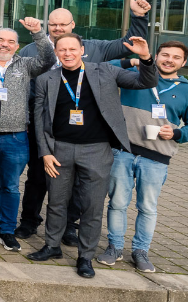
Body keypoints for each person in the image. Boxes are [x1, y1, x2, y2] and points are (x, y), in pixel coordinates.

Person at [15, 0, 152, 240]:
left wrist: (139, 18)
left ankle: (68, 225)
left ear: (73, 24)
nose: (58, 29)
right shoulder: (30, 49)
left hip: (84, 131)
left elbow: (128, 43)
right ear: (48, 25)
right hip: (45, 126)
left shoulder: (93, 48)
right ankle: (28, 221)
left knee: (77, 183)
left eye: (63, 25)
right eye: (53, 25)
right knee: (37, 177)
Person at [27, 33, 154, 278]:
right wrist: (45, 152)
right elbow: (39, 119)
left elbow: (145, 82)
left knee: (92, 207)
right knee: (56, 202)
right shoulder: (46, 79)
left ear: (82, 50)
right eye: (62, 49)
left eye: (72, 49)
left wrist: (146, 58)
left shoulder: (105, 71)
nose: (67, 53)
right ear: (56, 52)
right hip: (59, 150)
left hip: (97, 150)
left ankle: (85, 256)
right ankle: (52, 246)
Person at [101, 40, 188, 272]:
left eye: (176, 57)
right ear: (156, 56)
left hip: (156, 157)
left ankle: (140, 251)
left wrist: (177, 132)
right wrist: (136, 59)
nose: (169, 60)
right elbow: (102, 64)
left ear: (184, 62)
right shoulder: (132, 75)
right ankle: (115, 248)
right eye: (165, 54)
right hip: (123, 151)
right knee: (117, 203)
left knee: (147, 207)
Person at [0, 17, 54, 252]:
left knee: (10, 187)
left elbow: (48, 59)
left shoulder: (25, 65)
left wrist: (38, 32)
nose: (4, 44)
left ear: (17, 46)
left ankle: (6, 230)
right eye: (0, 40)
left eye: (10, 41)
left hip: (15, 138)